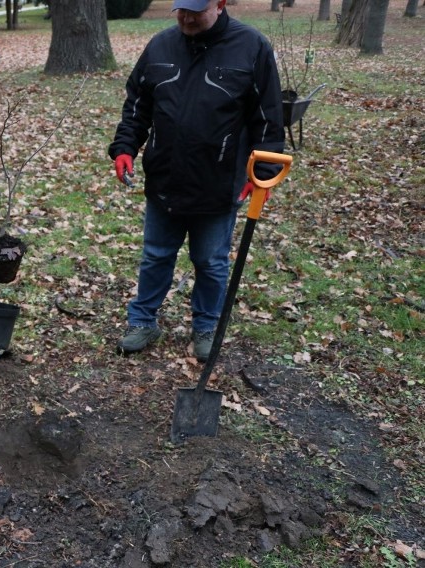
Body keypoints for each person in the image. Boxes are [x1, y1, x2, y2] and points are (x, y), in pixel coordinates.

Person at [108, 0, 284, 361]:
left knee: (211, 262)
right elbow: (137, 104)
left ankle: (206, 326)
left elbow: (267, 117)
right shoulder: (160, 45)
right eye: (181, 9)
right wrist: (125, 146)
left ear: (219, 4)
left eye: (195, 10)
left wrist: (263, 175)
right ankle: (143, 321)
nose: (186, 18)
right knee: (156, 256)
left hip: (219, 182)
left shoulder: (252, 47)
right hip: (165, 177)